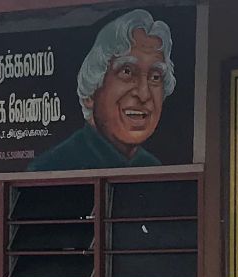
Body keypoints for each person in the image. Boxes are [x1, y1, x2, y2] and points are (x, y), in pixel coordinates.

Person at [30, 9, 175, 171]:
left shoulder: (153, 168)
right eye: (127, 71)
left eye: (155, 77)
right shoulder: (52, 168)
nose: (143, 94)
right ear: (92, 91)